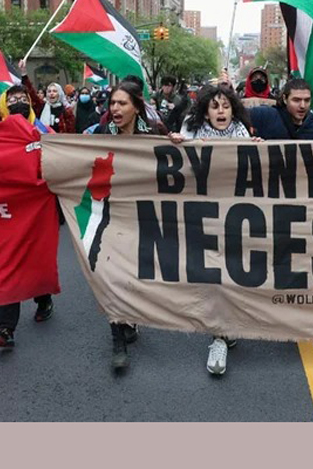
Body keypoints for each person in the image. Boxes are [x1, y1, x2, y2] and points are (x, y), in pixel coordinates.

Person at [168, 84, 255, 375]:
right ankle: (219, 334)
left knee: (231, 272)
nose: (221, 111)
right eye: (215, 106)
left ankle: (223, 329)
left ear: (233, 110)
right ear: (206, 110)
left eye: (226, 106)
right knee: (212, 275)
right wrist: (176, 144)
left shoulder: (242, 131)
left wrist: (262, 150)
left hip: (234, 214)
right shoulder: (190, 130)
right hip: (202, 214)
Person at [92, 81, 163, 370]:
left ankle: (130, 319)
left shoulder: (154, 134)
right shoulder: (100, 134)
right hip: (111, 214)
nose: (115, 109)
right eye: (112, 104)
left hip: (143, 215)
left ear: (136, 106)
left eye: (122, 103)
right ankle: (117, 341)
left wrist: (177, 143)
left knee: (134, 275)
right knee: (111, 275)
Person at [0, 85, 57, 348]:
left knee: (33, 261)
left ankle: (43, 298)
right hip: (4, 212)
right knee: (4, 266)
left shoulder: (45, 132)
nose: (17, 101)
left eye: (22, 98)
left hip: (37, 211)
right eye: (11, 98)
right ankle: (5, 329)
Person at [249, 78, 313, 140]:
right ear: (285, 99)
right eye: (296, 100)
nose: (302, 106)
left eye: (307, 100)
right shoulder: (264, 116)